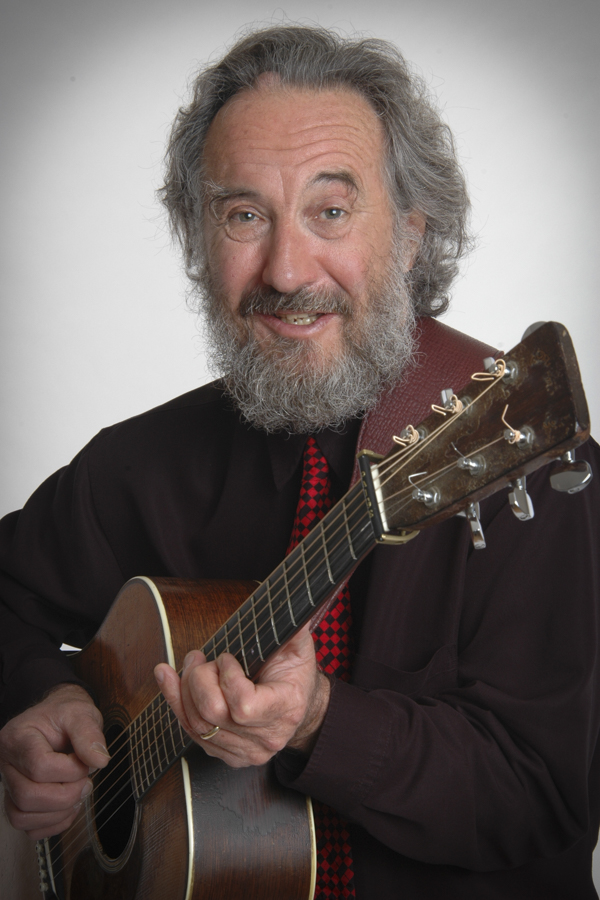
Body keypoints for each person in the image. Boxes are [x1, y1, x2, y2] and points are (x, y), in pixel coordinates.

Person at [0, 24, 599, 899]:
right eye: (244, 215)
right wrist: (37, 699)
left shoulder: (521, 460)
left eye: (331, 211)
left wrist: (321, 720)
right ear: (199, 241)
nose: (285, 271)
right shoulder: (140, 467)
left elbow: (550, 798)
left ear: (411, 234)